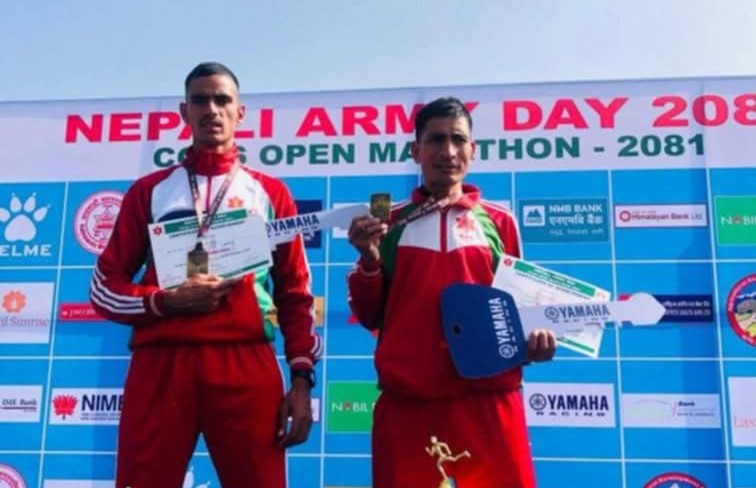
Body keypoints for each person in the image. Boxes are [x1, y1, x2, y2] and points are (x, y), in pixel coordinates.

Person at [89, 62, 321, 488]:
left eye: (222, 100)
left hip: (244, 360)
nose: (211, 109)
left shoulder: (270, 193)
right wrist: (166, 301)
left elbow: (295, 295)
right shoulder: (150, 191)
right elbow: (104, 288)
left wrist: (302, 380)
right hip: (162, 363)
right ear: (184, 111)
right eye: (200, 100)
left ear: (240, 112)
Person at [347, 97, 556, 487]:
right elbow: (370, 314)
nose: (448, 151)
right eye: (436, 139)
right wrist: (369, 261)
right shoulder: (389, 223)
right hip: (408, 406)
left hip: (489, 402)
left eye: (458, 139)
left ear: (473, 150)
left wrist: (534, 343)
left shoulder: (499, 221)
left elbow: (519, 315)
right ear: (416, 150)